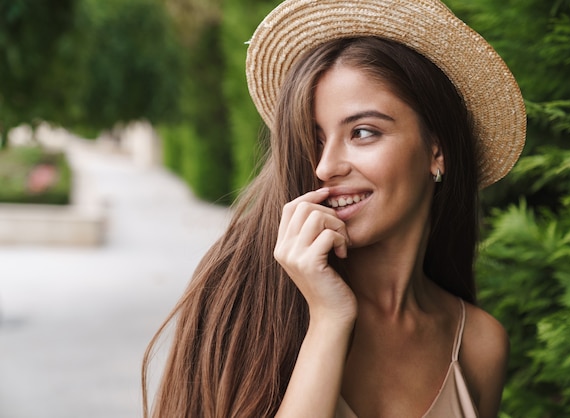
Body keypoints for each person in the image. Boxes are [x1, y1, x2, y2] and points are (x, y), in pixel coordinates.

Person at [142, 0, 526, 417]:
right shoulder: (237, 299)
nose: (326, 167)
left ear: (438, 150)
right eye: (314, 139)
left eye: (363, 132)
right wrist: (328, 320)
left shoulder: (479, 345)